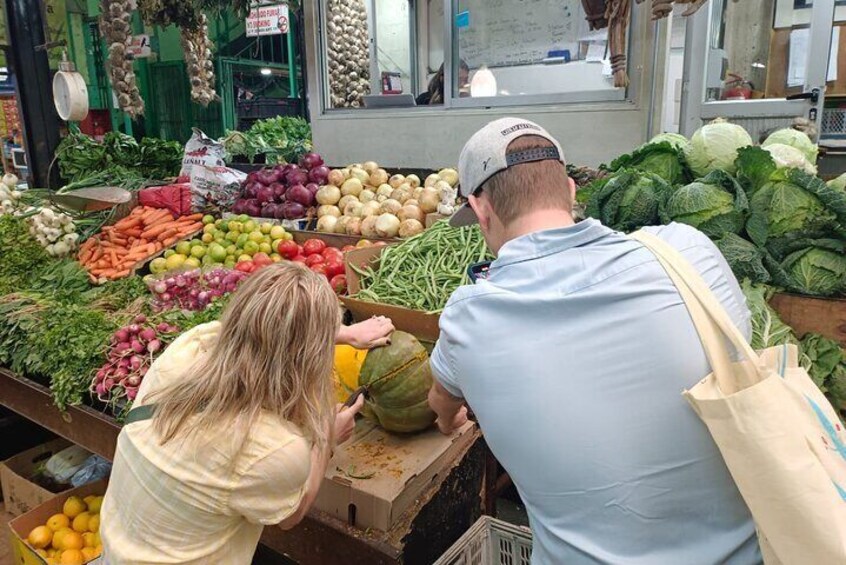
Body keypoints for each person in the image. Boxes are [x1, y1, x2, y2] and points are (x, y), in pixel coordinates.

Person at [427, 118, 761, 564]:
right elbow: (738, 351)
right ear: (569, 190)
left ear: (480, 209)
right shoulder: (688, 251)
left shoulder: (467, 318)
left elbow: (442, 405)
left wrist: (450, 420)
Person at [99, 263, 394, 564]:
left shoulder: (187, 348)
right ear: (312, 357)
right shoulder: (275, 448)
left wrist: (339, 333)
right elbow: (292, 515)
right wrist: (326, 439)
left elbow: (259, 330)